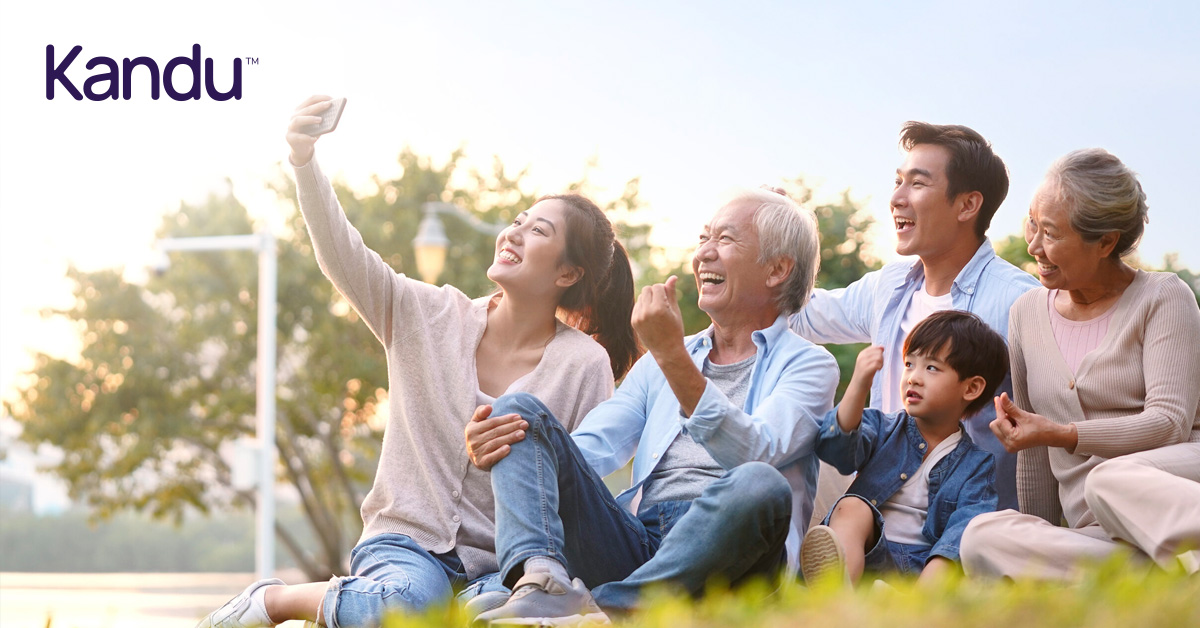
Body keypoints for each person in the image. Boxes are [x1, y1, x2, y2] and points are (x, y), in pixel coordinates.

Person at [196, 96, 640, 628]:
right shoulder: (425, 313)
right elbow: (342, 253)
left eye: (538, 230)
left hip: (502, 568)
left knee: (490, 614)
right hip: (404, 546)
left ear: (568, 274)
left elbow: (580, 489)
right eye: (518, 221)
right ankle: (273, 600)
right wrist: (304, 161)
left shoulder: (584, 365)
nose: (513, 233)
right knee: (407, 608)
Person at [465, 188, 839, 624]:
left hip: (734, 549)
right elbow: (589, 447)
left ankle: (600, 608)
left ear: (777, 269)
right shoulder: (661, 361)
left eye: (725, 240)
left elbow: (757, 452)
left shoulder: (811, 364)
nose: (704, 255)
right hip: (641, 539)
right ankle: (541, 582)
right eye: (703, 239)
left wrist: (673, 358)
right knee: (520, 411)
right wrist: (522, 447)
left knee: (761, 483)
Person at [960, 148, 1200, 579]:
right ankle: (1156, 574)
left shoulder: (1164, 296)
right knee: (983, 536)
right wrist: (1041, 531)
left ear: (1105, 241)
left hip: (1174, 486)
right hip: (1099, 530)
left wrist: (1064, 433)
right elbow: (1034, 456)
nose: (1033, 245)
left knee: (1109, 479)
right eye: (1032, 223)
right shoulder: (1027, 313)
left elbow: (1169, 423)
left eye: (1050, 233)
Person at [789, 122, 1039, 512]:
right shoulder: (890, 285)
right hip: (880, 491)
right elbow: (800, 316)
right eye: (898, 181)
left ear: (967, 205)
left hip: (961, 510)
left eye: (917, 184)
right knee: (795, 453)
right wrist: (774, 234)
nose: (897, 198)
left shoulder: (1019, 302)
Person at [800, 310, 1005, 586]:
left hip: (925, 567)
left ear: (971, 388)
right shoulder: (882, 428)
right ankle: (838, 594)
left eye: (931, 368)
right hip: (867, 553)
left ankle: (917, 604)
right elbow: (836, 449)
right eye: (909, 364)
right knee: (852, 507)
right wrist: (859, 384)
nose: (913, 377)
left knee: (961, 538)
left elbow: (963, 529)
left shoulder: (976, 464)